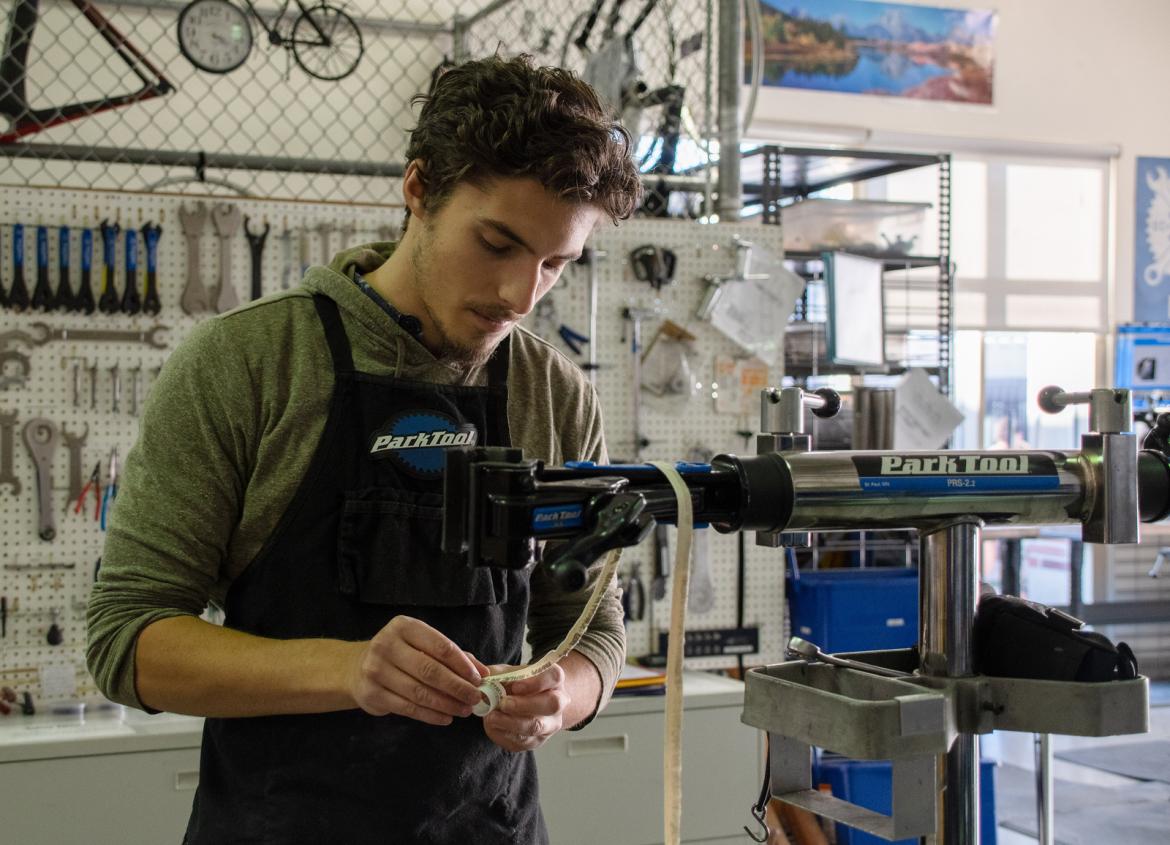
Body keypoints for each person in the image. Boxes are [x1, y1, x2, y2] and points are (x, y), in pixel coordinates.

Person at [86, 55, 641, 844]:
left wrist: (568, 692)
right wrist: (348, 669)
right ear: (418, 189)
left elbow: (589, 625)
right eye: (497, 243)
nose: (521, 296)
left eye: (554, 264)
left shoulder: (554, 394)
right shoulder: (251, 364)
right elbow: (126, 638)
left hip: (489, 825)